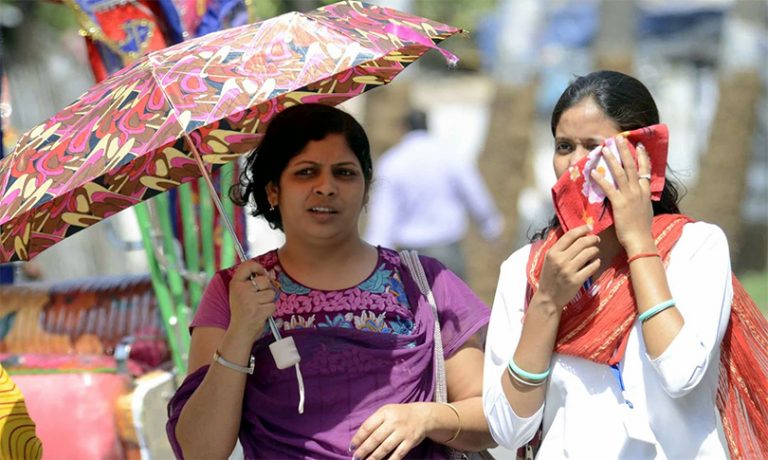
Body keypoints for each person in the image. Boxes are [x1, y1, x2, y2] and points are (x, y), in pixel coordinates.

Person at [166, 103, 495, 459]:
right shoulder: (236, 292)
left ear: (366, 188)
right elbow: (198, 450)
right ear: (273, 190)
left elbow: (491, 421)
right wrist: (241, 332)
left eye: (344, 173)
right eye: (306, 173)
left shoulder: (425, 283)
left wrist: (427, 418)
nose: (326, 187)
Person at [483, 70, 768, 458]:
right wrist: (547, 302)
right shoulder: (527, 271)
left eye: (594, 147)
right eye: (565, 147)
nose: (576, 165)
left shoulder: (694, 248)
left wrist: (638, 242)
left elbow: (680, 372)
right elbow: (507, 429)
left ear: (641, 155)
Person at [364, 109, 504, 281]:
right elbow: (474, 194)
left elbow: (383, 216)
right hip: (447, 250)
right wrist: (491, 227)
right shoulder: (449, 156)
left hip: (410, 257)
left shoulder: (392, 162)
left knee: (416, 307)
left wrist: (375, 257)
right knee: (456, 306)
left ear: (403, 128)